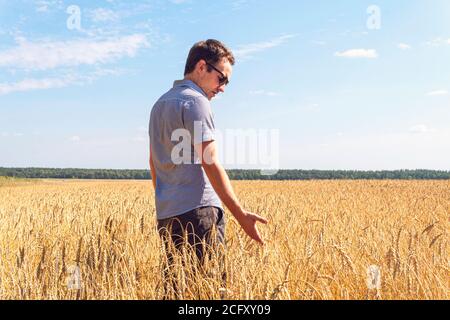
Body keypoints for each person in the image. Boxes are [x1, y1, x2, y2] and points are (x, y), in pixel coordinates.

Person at [148, 39, 268, 298]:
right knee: (208, 293)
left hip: (167, 216)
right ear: (202, 67)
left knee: (178, 292)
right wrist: (240, 215)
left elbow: (152, 162)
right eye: (222, 79)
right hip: (200, 214)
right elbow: (209, 160)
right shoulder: (196, 102)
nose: (223, 88)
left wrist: (166, 199)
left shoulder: (159, 105)